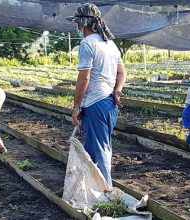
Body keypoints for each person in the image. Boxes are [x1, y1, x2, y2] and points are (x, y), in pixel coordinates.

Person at [67, 3, 127, 187]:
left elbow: (84, 79)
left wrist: (76, 107)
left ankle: (106, 191)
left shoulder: (88, 43)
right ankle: (89, 185)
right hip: (109, 104)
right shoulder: (110, 44)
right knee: (94, 147)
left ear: (82, 23)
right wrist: (117, 90)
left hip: (95, 103)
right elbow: (122, 73)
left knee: (100, 150)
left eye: (77, 23)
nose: (76, 27)